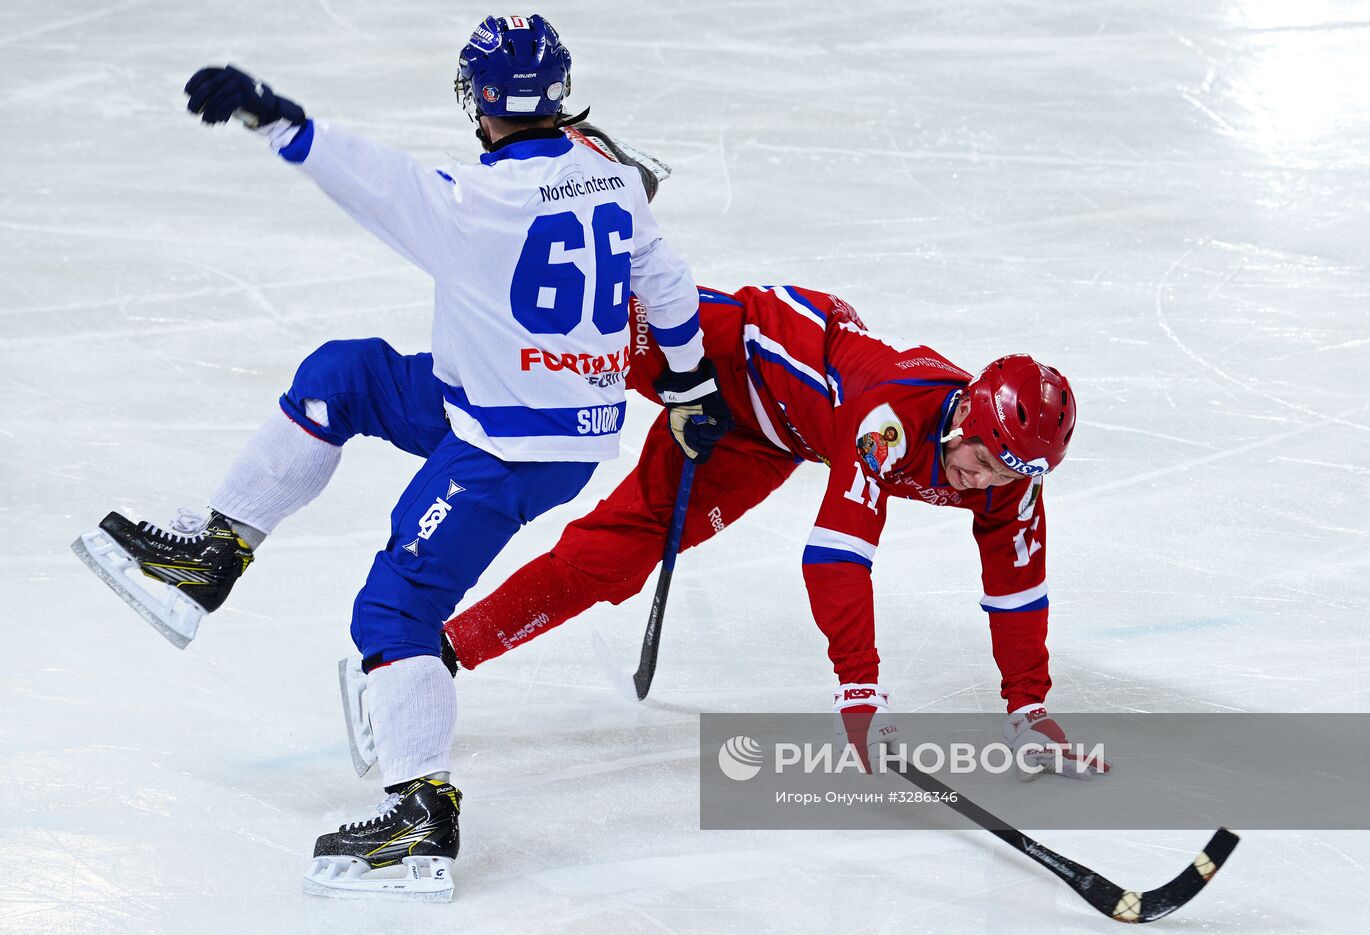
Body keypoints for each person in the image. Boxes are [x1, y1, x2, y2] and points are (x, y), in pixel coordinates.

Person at [71, 14, 729, 902]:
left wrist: (276, 117)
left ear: (478, 97)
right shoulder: (611, 173)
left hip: (505, 447)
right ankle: (214, 554)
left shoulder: (471, 202)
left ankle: (421, 809)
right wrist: (690, 388)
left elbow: (370, 177)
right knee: (343, 375)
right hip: (509, 408)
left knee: (394, 609)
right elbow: (668, 282)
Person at [420, 283, 1103, 777]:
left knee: (619, 554)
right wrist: (859, 688)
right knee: (560, 353)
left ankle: (444, 648)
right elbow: (836, 558)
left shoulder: (1011, 481)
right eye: (982, 461)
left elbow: (1017, 589)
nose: (983, 482)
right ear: (966, 421)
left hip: (768, 436)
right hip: (727, 345)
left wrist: (1027, 708)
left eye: (1005, 474)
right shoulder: (889, 420)